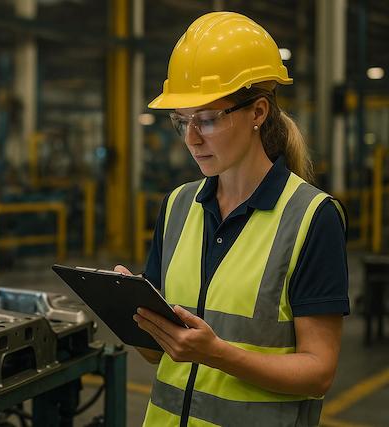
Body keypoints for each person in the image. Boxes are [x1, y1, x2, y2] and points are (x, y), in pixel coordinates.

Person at [114, 11, 349, 427]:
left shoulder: (312, 218)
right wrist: (131, 315)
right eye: (181, 121)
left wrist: (217, 354)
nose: (191, 139)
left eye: (206, 120)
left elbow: (319, 372)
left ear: (258, 111)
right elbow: (159, 355)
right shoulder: (177, 207)